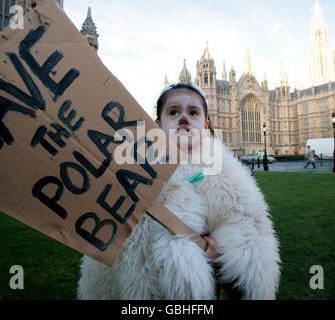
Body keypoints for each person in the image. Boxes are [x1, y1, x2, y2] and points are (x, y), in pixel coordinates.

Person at [77, 82, 280, 300]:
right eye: (173, 112)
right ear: (157, 125)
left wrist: (220, 257)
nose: (184, 118)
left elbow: (249, 247)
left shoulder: (226, 177)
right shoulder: (130, 169)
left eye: (193, 112)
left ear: (206, 126)